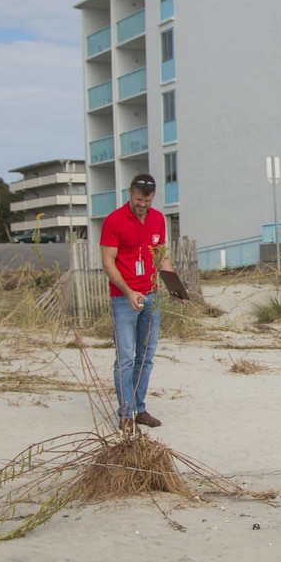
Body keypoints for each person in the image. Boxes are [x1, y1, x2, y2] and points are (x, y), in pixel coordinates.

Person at [100, 173, 174, 432]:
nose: (143, 204)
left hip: (150, 296)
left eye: (148, 199)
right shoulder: (114, 221)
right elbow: (108, 262)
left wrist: (175, 287)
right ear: (130, 192)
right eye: (139, 198)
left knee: (146, 356)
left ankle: (139, 408)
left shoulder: (157, 219)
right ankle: (126, 412)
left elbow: (161, 255)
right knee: (125, 359)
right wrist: (128, 291)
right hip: (124, 298)